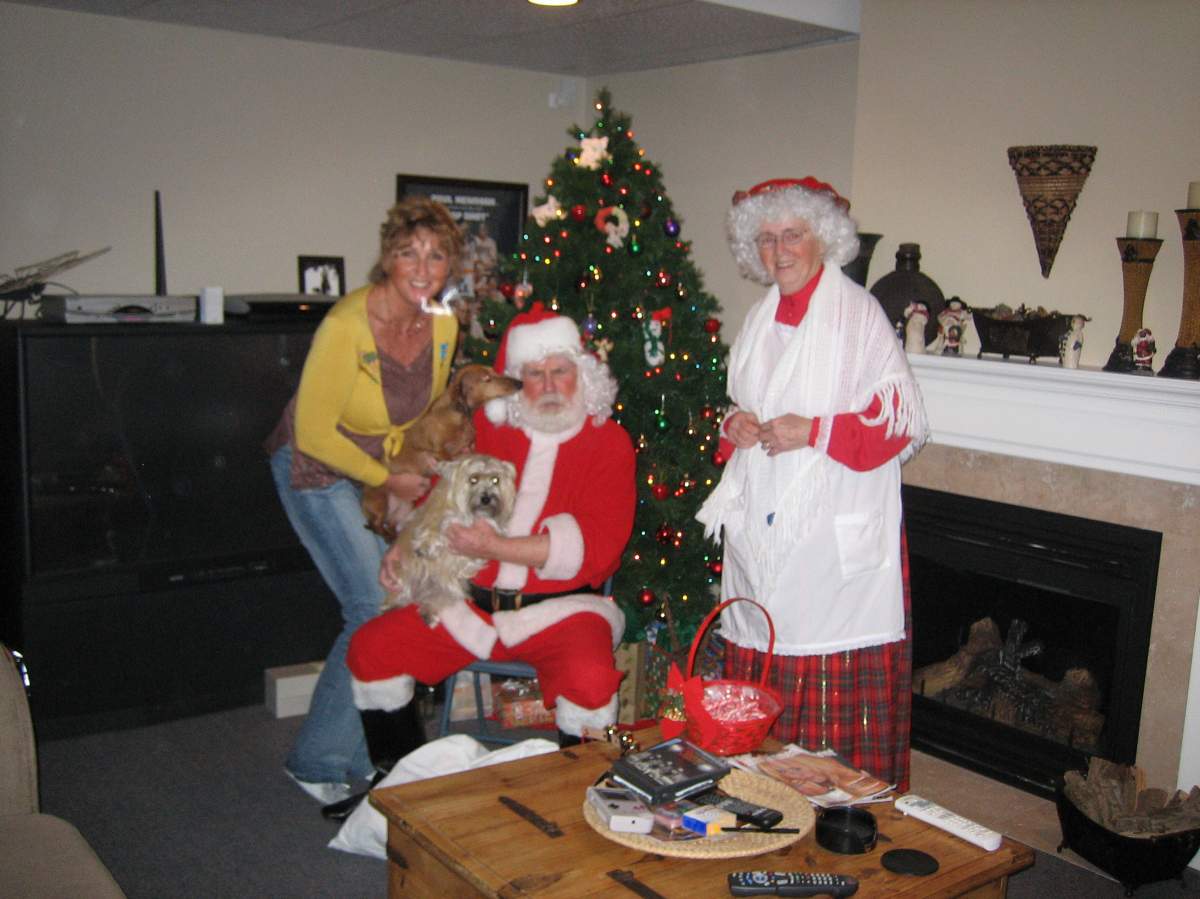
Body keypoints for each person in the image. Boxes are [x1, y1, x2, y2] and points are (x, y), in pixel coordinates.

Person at [697, 177, 929, 791]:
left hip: (830, 538)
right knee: (764, 647)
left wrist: (815, 431)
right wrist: (736, 423)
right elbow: (739, 407)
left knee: (825, 675)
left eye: (791, 235)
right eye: (767, 239)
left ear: (821, 238)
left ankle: (843, 809)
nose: (779, 251)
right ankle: (761, 792)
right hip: (761, 534)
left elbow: (898, 425)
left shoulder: (858, 316)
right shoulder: (758, 319)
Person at [345, 302, 636, 768]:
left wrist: (496, 547)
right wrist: (403, 546)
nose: (547, 386)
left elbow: (598, 546)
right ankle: (398, 789)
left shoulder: (610, 443)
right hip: (469, 605)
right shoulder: (485, 429)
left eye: (559, 371)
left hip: (565, 612)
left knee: (591, 679)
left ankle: (583, 801)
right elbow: (434, 495)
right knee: (372, 648)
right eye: (533, 374)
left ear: (581, 375)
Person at [264, 196, 463, 806]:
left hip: (382, 472)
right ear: (388, 259)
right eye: (409, 253)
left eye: (436, 254)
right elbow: (318, 433)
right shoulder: (347, 325)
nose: (423, 267)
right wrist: (388, 477)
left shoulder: (444, 323)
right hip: (315, 467)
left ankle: (358, 754)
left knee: (396, 595)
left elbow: (425, 409)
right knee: (369, 601)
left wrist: (420, 464)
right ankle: (315, 758)